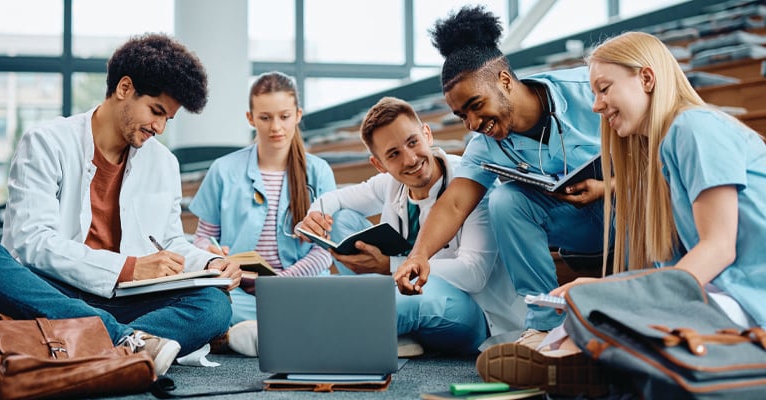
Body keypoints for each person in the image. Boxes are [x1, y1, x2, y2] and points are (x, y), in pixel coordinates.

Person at [476, 31, 766, 397]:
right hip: (726, 295)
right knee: (594, 303)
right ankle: (586, 364)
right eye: (594, 93)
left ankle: (586, 363)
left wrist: (614, 290)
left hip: (752, 299)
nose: (596, 105)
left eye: (604, 88)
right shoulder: (660, 155)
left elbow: (719, 249)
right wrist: (606, 288)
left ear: (646, 78)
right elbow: (675, 273)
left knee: (609, 309)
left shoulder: (694, 128)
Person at [0, 33, 240, 376]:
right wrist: (127, 267)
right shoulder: (46, 142)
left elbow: (170, 242)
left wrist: (211, 262)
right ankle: (126, 342)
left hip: (121, 301)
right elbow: (31, 242)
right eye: (156, 111)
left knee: (214, 305)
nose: (159, 126)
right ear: (124, 88)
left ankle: (96, 344)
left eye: (168, 119)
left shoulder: (164, 162)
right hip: (49, 290)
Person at [394, 4, 608, 340]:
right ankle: (543, 327)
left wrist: (608, 186)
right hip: (578, 231)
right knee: (506, 199)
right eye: (462, 116)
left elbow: (658, 157)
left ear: (504, 81)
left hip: (631, 212)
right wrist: (418, 255)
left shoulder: (589, 90)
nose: (474, 124)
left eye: (476, 105)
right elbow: (453, 205)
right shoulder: (484, 145)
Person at [298, 96, 526, 356]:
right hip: (403, 287)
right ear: (379, 165)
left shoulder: (471, 181)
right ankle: (395, 332)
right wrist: (315, 214)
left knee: (411, 300)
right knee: (340, 219)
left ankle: (311, 340)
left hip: (474, 312)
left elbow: (474, 275)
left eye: (412, 142)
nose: (409, 159)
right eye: (393, 154)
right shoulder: (390, 184)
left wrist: (390, 266)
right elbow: (335, 199)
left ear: (427, 134)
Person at [188, 71, 336, 357]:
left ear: (297, 115)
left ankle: (243, 333)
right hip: (239, 290)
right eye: (265, 117)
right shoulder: (223, 169)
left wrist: (280, 285)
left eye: (284, 116)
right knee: (204, 303)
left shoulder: (319, 172)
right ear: (250, 118)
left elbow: (324, 252)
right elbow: (203, 238)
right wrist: (213, 255)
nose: (275, 127)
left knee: (340, 296)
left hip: (298, 288)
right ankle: (281, 332)